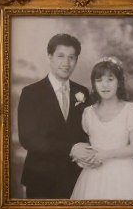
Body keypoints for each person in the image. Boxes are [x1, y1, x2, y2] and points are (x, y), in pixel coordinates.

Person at [16, 33, 91, 199]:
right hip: (42, 178)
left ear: (77, 60)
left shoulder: (82, 92)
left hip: (76, 177)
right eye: (61, 56)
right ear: (50, 57)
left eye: (72, 57)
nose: (66, 63)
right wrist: (70, 149)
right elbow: (28, 139)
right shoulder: (31, 93)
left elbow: (88, 131)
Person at [69, 57, 133, 200]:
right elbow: (88, 145)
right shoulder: (88, 112)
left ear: (119, 82)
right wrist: (83, 158)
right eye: (99, 80)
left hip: (124, 173)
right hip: (93, 174)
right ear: (94, 84)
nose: (104, 85)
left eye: (110, 79)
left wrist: (106, 154)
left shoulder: (130, 109)